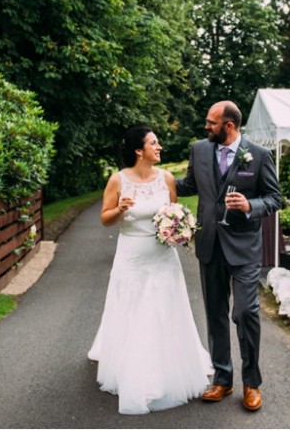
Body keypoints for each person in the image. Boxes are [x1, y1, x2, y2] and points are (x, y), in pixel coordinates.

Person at [88, 126, 213, 415]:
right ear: (138, 150)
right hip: (132, 258)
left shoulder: (167, 178)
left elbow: (173, 213)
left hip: (163, 258)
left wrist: (180, 229)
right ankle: (134, 370)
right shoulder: (117, 180)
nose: (160, 147)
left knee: (163, 310)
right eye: (153, 143)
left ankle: (168, 366)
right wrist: (120, 209)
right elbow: (105, 220)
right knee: (133, 311)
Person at [176, 101, 283, 411]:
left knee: (246, 312)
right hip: (210, 244)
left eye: (211, 122)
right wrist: (154, 181)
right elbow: (189, 185)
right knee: (215, 313)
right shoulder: (199, 150)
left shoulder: (260, 156)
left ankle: (252, 383)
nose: (206, 127)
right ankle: (223, 379)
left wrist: (251, 207)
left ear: (229, 126)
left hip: (245, 247)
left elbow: (274, 198)